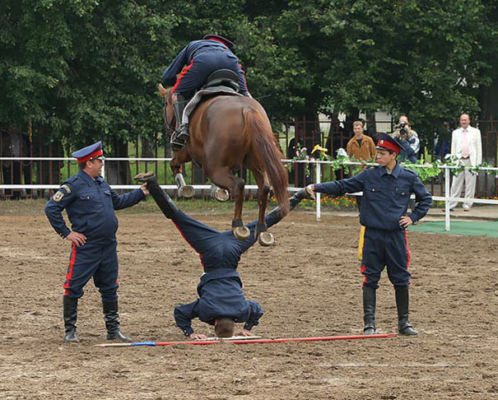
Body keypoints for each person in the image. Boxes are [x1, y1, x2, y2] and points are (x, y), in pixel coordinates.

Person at [135, 172, 308, 339]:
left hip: (234, 248)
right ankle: (152, 183)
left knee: (264, 222)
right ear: (215, 324)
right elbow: (180, 312)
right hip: (209, 250)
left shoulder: (242, 311)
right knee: (179, 218)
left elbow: (257, 309)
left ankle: (298, 196)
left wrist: (248, 327)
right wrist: (190, 332)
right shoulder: (205, 311)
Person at [305, 133, 432, 336]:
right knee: (370, 278)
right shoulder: (369, 175)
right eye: (378, 153)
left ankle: (404, 323)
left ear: (393, 155)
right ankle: (369, 324)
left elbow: (425, 199)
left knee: (400, 279)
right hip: (372, 236)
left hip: (396, 237)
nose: (377, 157)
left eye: (382, 154)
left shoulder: (408, 177)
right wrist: (316, 187)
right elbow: (342, 186)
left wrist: (413, 217)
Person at [45, 141, 149, 343]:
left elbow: (117, 203)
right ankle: (71, 332)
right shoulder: (72, 186)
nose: (102, 163)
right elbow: (51, 208)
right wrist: (66, 233)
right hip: (87, 246)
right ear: (88, 163)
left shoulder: (101, 183)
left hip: (108, 245)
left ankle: (113, 331)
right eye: (99, 160)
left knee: (110, 287)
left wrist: (140, 193)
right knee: (73, 286)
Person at [161, 34, 250, 150]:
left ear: (205, 41)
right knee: (246, 96)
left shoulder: (194, 45)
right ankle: (263, 126)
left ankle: (182, 128)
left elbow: (168, 75)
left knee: (176, 94)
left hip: (203, 61)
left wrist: (173, 82)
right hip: (231, 62)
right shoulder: (227, 50)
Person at [448, 113, 482, 211]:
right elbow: (453, 149)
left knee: (470, 184)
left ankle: (467, 204)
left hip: (470, 160)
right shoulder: (455, 132)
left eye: (465, 120)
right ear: (460, 121)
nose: (464, 122)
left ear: (469, 121)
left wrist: (477, 163)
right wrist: (453, 161)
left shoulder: (476, 132)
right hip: (459, 161)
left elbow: (478, 148)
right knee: (455, 183)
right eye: (462, 120)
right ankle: (452, 204)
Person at [346, 120, 376, 211]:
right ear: (353, 130)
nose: (357, 130)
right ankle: (361, 210)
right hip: (357, 170)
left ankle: (370, 210)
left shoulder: (369, 140)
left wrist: (373, 165)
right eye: (355, 128)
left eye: (359, 128)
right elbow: (349, 157)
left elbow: (374, 154)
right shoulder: (350, 143)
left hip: (368, 168)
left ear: (362, 129)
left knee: (370, 190)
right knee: (358, 191)